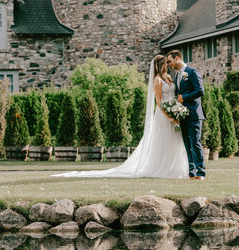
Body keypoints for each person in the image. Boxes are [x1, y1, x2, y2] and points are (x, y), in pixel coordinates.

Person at [53, 55, 189, 179]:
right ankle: (162, 168)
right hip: (163, 114)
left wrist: (176, 110)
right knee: (164, 141)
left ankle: (176, 168)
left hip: (173, 111)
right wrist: (169, 115)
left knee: (175, 139)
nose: (168, 64)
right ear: (161, 65)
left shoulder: (169, 78)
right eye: (166, 63)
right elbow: (159, 102)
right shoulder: (157, 80)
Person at [166, 50, 206, 179]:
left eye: (169, 61)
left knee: (195, 143)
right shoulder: (177, 76)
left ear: (176, 58)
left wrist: (185, 97)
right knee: (187, 145)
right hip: (182, 115)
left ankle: (201, 172)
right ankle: (191, 172)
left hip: (194, 114)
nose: (168, 64)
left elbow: (200, 91)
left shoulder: (192, 72)